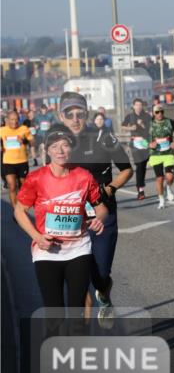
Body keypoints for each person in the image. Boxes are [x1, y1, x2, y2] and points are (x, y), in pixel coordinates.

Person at [13, 124, 108, 316]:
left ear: (71, 148)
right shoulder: (36, 178)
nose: (60, 151)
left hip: (78, 249)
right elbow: (19, 211)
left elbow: (101, 208)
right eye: (55, 146)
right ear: (47, 150)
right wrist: (37, 237)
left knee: (77, 310)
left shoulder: (84, 176)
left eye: (65, 145)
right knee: (54, 312)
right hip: (47, 251)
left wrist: (99, 219)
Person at [58, 92, 133, 321]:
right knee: (79, 278)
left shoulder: (103, 137)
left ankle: (104, 294)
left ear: (87, 114)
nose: (75, 119)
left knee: (100, 274)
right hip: (73, 218)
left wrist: (109, 189)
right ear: (61, 117)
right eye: (69, 114)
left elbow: (127, 169)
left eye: (79, 113)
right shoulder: (57, 143)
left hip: (103, 214)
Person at [121, 98, 152, 200]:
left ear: (142, 106)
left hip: (145, 143)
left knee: (142, 166)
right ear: (133, 106)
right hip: (135, 143)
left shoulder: (147, 116)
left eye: (140, 105)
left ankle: (141, 186)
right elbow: (122, 126)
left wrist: (142, 124)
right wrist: (131, 128)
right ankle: (140, 190)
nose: (138, 107)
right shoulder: (129, 116)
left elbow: (151, 129)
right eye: (137, 105)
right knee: (139, 165)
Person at [149, 104, 174, 209]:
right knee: (160, 178)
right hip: (155, 154)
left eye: (161, 112)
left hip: (168, 153)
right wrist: (149, 144)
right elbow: (143, 139)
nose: (159, 114)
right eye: (157, 112)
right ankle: (161, 200)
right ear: (153, 113)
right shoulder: (150, 124)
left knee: (169, 177)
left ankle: (168, 187)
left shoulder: (170, 122)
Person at [1, 109, 32, 206]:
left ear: (19, 119)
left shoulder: (24, 129)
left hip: (22, 161)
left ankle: (21, 205)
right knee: (12, 186)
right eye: (12, 119)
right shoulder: (2, 130)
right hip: (8, 162)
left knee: (23, 186)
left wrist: (25, 141)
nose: (14, 122)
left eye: (16, 119)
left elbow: (32, 141)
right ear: (7, 120)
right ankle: (16, 211)